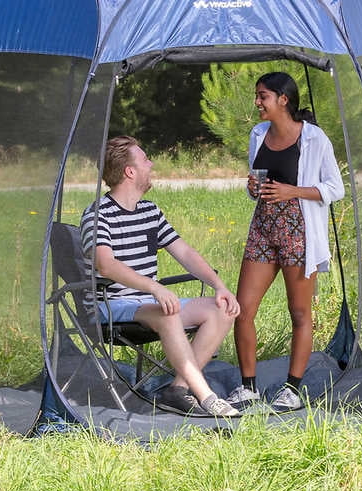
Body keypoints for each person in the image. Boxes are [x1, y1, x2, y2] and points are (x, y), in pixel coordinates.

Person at [80, 135, 241, 417]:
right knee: (167, 313)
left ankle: (177, 390)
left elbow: (185, 253)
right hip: (109, 307)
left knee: (222, 309)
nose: (151, 164)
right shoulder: (97, 215)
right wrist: (154, 287)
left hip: (147, 304)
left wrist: (219, 286)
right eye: (145, 160)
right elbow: (106, 265)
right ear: (130, 171)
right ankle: (207, 397)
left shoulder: (150, 211)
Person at [227, 72, 345, 411]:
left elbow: (336, 188)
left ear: (283, 99)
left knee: (299, 312)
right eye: (257, 95)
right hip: (263, 228)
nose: (257, 102)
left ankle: (292, 390)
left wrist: (293, 191)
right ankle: (248, 388)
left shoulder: (314, 138)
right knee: (243, 309)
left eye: (262, 96)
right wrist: (252, 188)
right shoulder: (258, 134)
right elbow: (257, 183)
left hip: (299, 231)